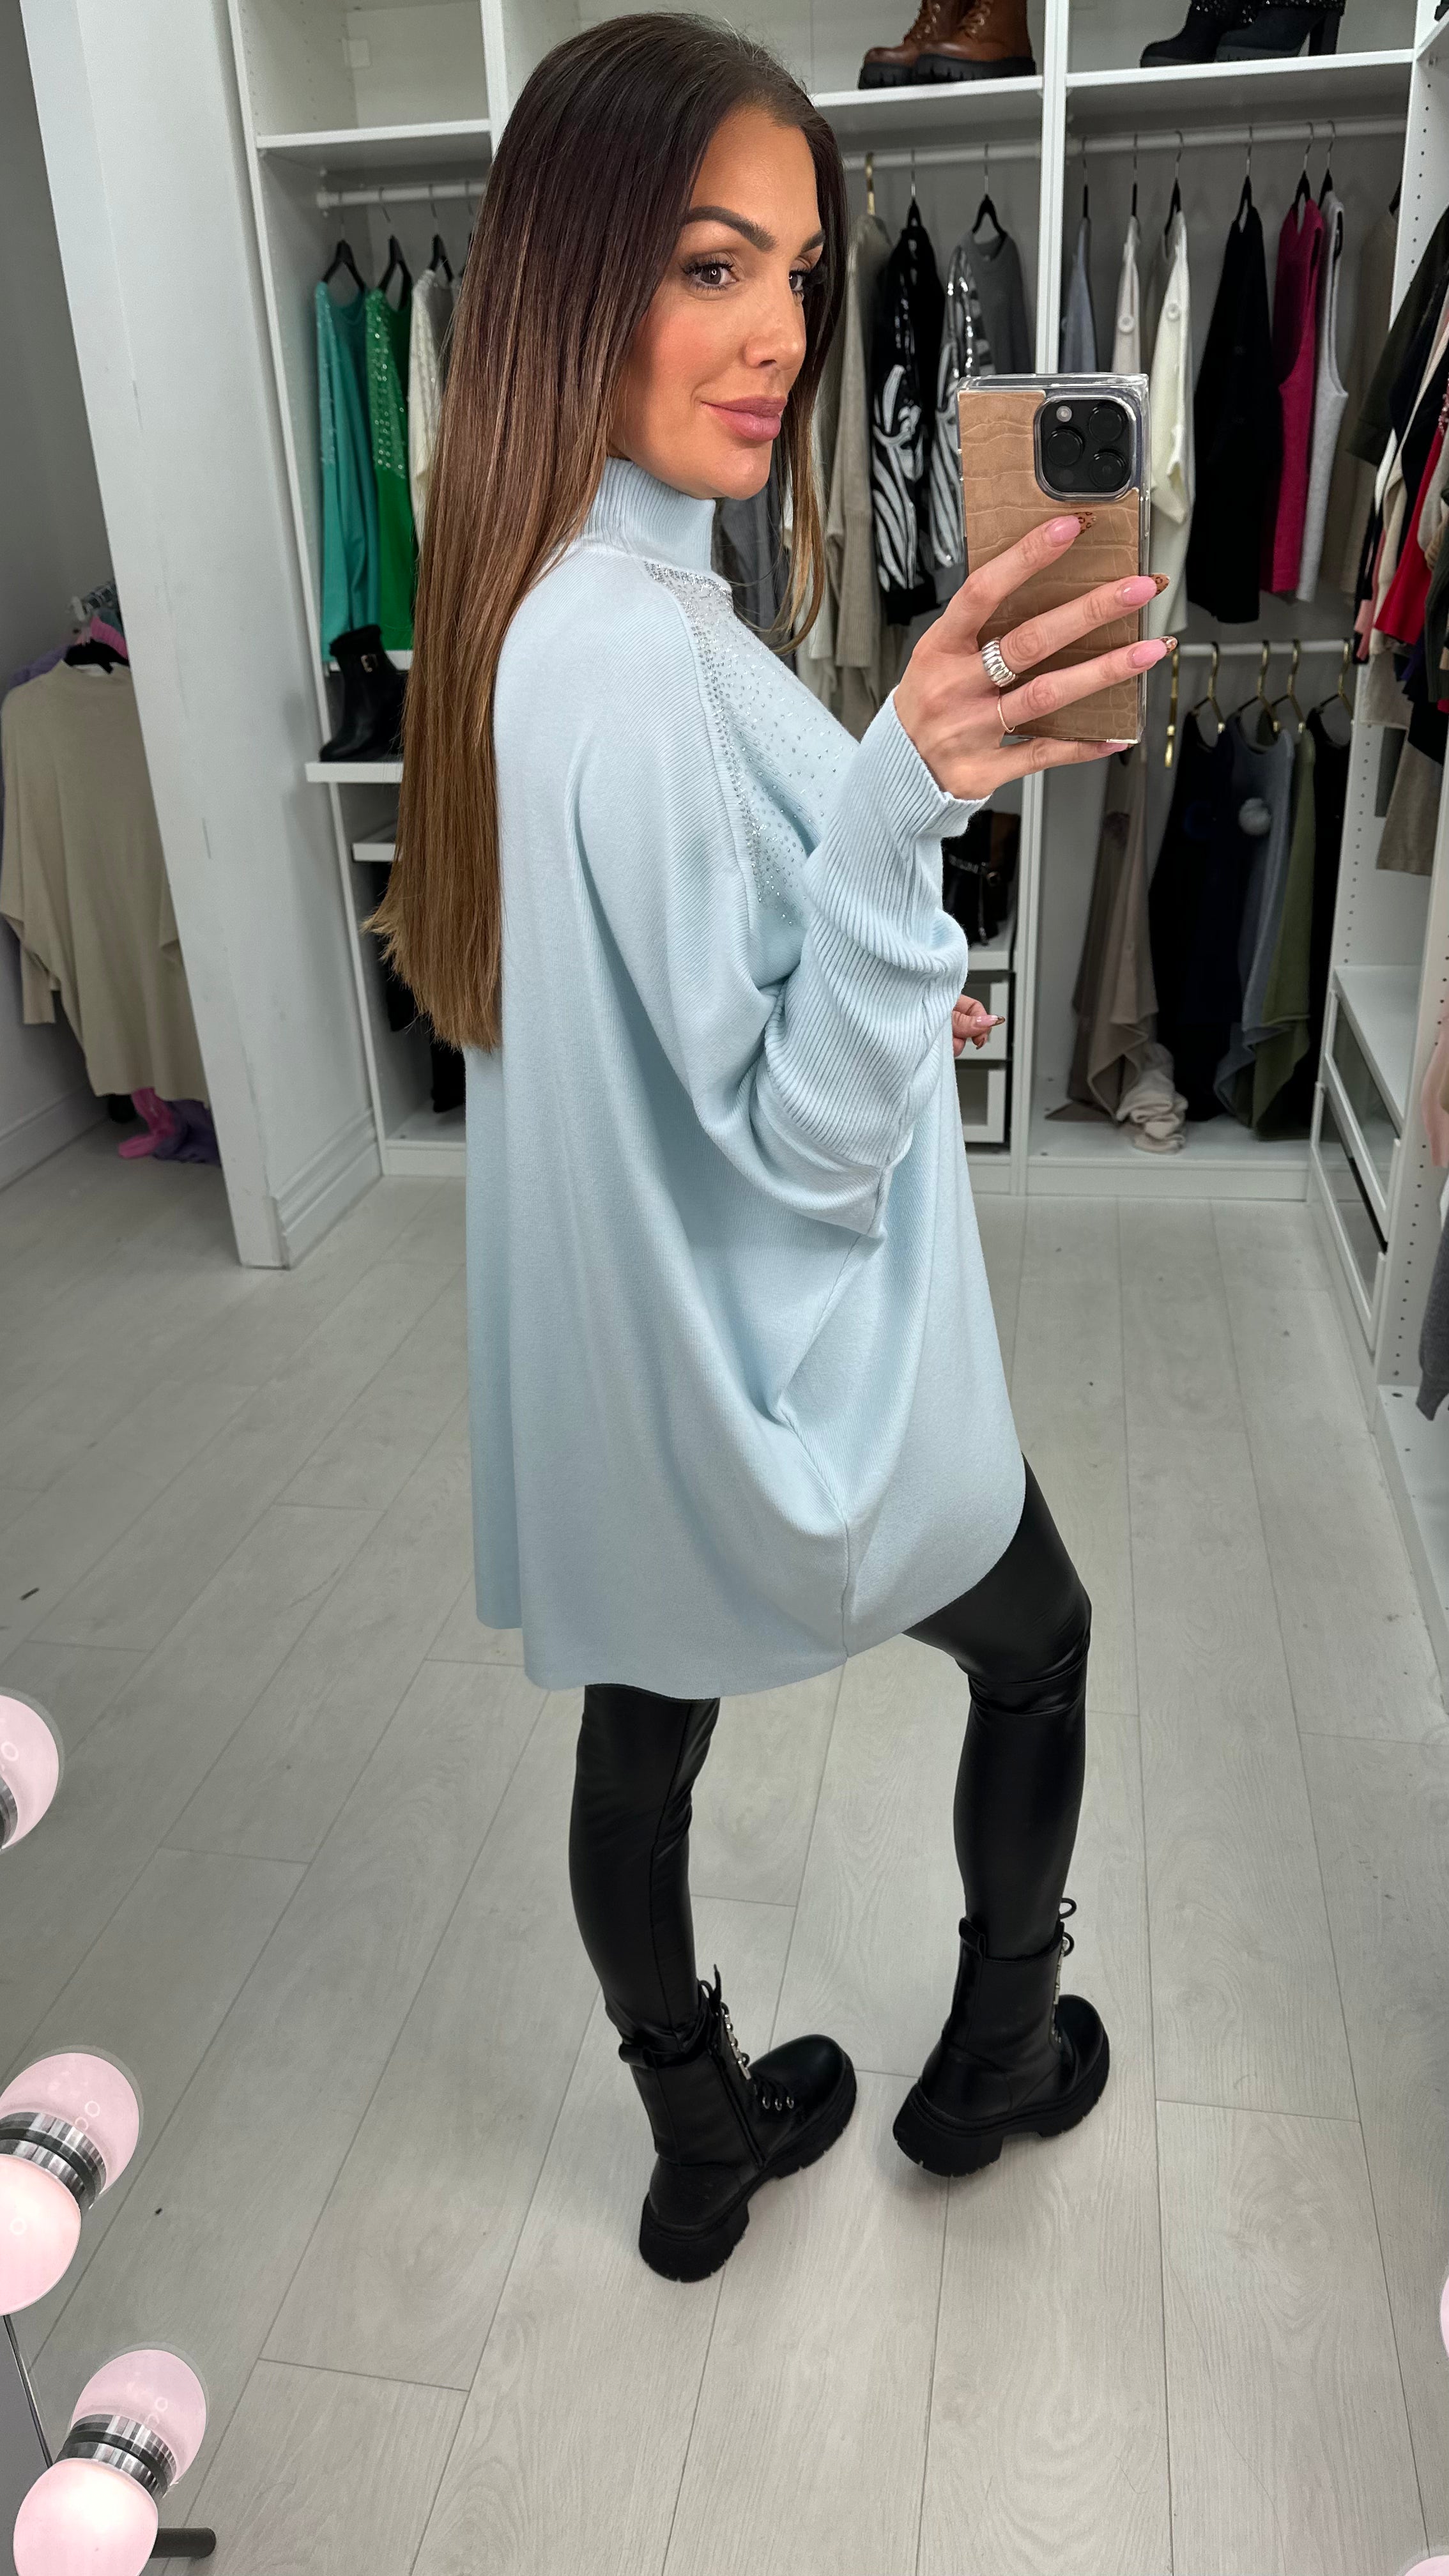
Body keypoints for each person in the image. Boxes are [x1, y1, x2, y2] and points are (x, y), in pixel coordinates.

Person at [372, 13, 1173, 2283]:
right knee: (1039, 1644)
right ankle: (996, 2058)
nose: (784, 338)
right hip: (785, 1366)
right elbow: (806, 1155)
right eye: (710, 267)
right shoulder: (645, 663)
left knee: (640, 1738)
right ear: (573, 278)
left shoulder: (536, 616)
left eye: (801, 276)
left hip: (635, 1372)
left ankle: (697, 2136)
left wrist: (874, 864)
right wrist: (900, 802)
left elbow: (649, 1032)